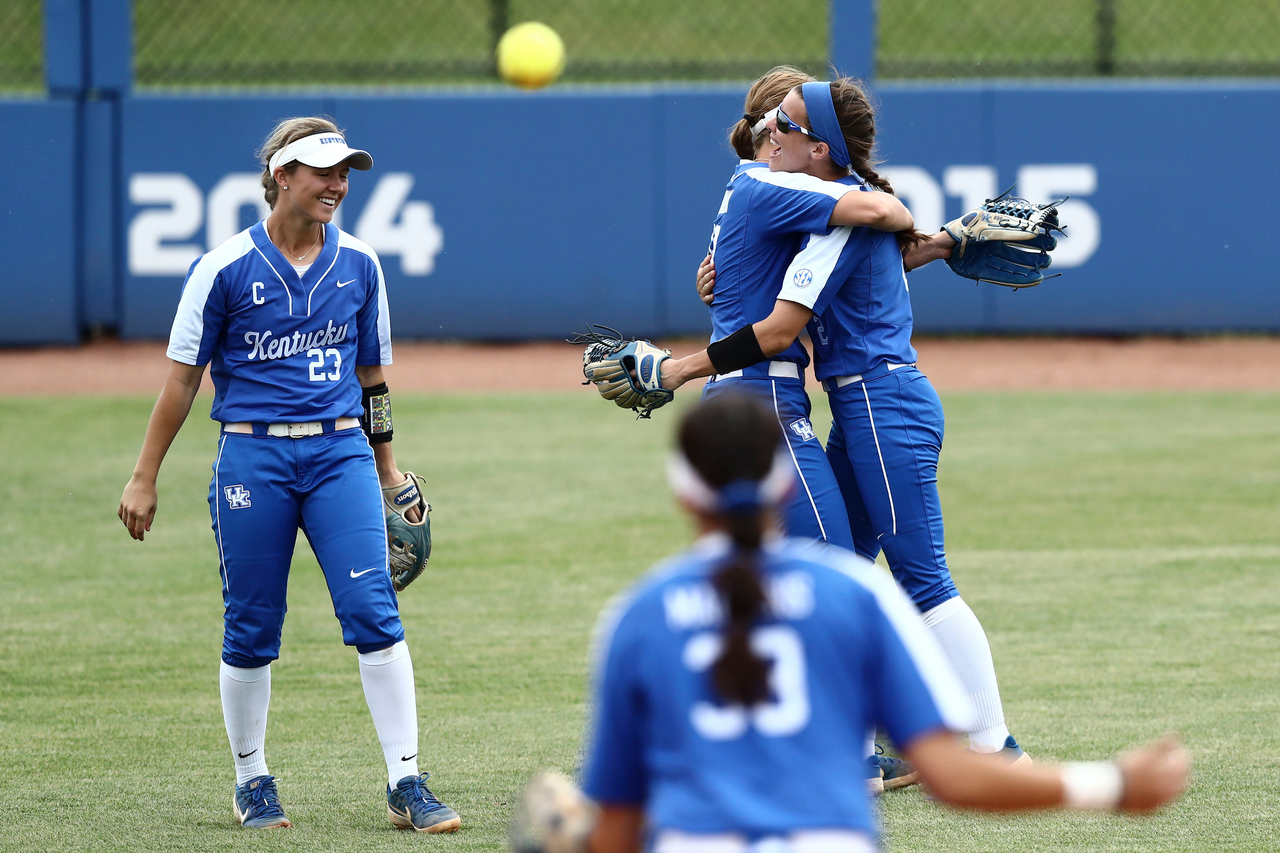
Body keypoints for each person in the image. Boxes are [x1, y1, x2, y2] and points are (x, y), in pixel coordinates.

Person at [581, 394, 1189, 853]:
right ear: (789, 482)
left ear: (683, 494)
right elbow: (951, 776)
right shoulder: (854, 592)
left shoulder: (638, 615)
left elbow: (616, 822)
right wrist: (1113, 785)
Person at [661, 79, 1026, 763]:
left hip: (884, 402)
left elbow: (779, 328)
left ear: (818, 146)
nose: (771, 131)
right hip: (859, 407)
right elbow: (869, 249)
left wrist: (679, 368)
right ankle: (873, 739)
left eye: (784, 123)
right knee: (848, 568)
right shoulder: (826, 211)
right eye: (770, 119)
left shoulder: (840, 213)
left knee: (922, 577)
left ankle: (994, 745)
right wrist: (942, 240)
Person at [117, 116, 460, 833]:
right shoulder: (223, 268)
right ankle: (252, 778)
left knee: (374, 613)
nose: (337, 184)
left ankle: (407, 779)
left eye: (345, 173)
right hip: (253, 456)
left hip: (338, 455)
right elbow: (181, 383)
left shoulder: (361, 264)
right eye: (322, 171)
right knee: (251, 624)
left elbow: (372, 378)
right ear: (282, 176)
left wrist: (387, 468)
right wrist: (144, 475)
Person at [698, 65, 914, 556]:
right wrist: (899, 211)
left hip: (754, 395)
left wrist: (938, 246)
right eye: (794, 118)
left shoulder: (749, 184)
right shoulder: (771, 184)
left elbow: (836, 273)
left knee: (814, 568)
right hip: (761, 395)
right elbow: (878, 212)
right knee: (829, 567)